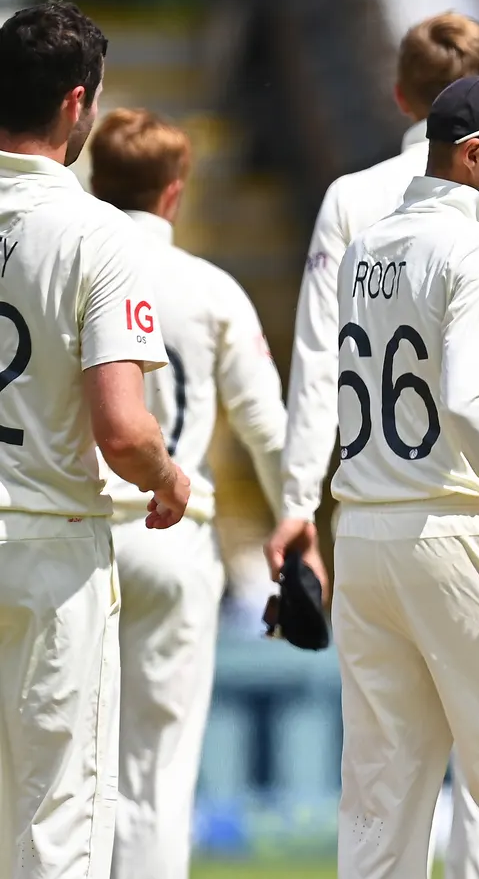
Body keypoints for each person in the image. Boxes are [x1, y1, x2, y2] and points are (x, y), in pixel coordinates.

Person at [265, 16, 479, 871]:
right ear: (471, 156)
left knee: (381, 808)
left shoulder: (367, 241)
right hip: (462, 537)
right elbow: (465, 402)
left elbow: (404, 395)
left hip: (371, 539)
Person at [0, 1, 191, 879]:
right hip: (48, 552)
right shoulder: (97, 234)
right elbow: (121, 429)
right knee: (57, 823)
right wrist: (168, 476)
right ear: (77, 105)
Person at [87, 108, 290, 879]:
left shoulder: (63, 264)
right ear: (174, 192)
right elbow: (267, 429)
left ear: (97, 181)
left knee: (58, 768)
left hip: (74, 527)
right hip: (175, 534)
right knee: (156, 780)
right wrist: (294, 527)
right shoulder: (210, 289)